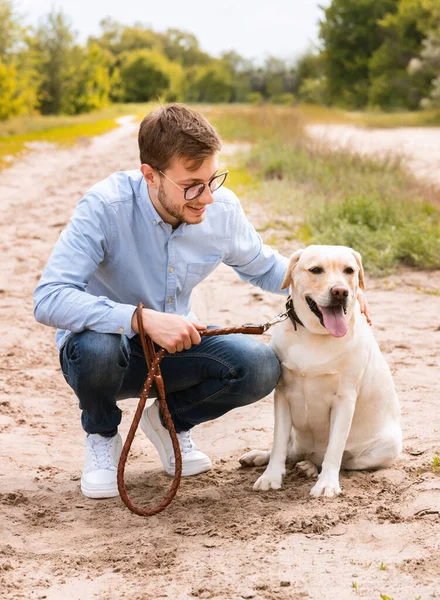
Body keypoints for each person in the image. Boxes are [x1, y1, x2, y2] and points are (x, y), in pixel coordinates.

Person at [33, 103, 369, 500]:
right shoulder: (105, 207)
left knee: (260, 366)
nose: (207, 197)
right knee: (96, 345)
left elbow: (266, 267)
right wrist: (141, 319)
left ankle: (169, 422)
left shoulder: (220, 209)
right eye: (192, 185)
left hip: (177, 346)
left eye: (213, 180)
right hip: (106, 351)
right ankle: (102, 435)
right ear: (150, 175)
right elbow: (49, 298)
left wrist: (332, 287)